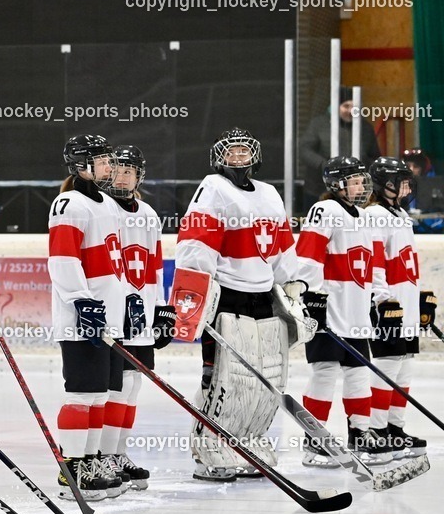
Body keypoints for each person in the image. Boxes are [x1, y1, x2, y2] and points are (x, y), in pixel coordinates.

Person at [172, 128, 311, 481]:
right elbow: (195, 243)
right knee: (225, 376)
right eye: (231, 152)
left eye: (243, 152)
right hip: (227, 295)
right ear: (220, 157)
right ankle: (210, 446)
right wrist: (193, 295)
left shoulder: (269, 193)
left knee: (267, 376)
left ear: (255, 157)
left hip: (264, 296)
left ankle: (250, 441)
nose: (238, 158)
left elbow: (281, 246)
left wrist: (292, 289)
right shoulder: (213, 188)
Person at [296, 156, 393, 465]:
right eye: (354, 181)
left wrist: (380, 298)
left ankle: (360, 433)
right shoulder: (325, 210)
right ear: (336, 184)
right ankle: (315, 439)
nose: (361, 186)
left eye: (362, 180)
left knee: (358, 372)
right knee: (325, 372)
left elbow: (375, 264)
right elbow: (308, 256)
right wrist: (309, 297)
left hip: (357, 312)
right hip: (329, 309)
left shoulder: (366, 217)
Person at [46, 134, 125, 500]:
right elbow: (63, 259)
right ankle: (72, 468)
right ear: (81, 165)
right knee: (81, 393)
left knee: (100, 395)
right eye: (103, 160)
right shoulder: (68, 203)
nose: (110, 166)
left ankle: (90, 460)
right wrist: (81, 300)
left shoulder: (107, 203)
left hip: (107, 315)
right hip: (81, 317)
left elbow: (114, 262)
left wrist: (129, 301)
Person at [96, 145, 175, 492]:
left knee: (133, 385)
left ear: (139, 177)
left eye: (130, 171)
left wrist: (161, 307)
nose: (123, 176)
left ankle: (120, 452)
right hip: (115, 313)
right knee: (116, 386)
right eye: (118, 170)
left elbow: (155, 267)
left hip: (141, 315)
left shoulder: (148, 214)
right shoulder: (99, 210)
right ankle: (104, 454)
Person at [365, 157, 432, 458]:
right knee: (387, 367)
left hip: (405, 303)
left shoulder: (401, 215)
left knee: (404, 369)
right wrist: (382, 299)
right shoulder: (374, 215)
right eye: (400, 179)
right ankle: (377, 430)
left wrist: (418, 296)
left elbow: (406, 262)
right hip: (389, 305)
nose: (407, 184)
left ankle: (395, 429)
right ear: (386, 184)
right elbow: (375, 262)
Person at [300, 88, 381, 205]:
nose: (351, 110)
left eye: (355, 107)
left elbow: (374, 156)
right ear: (335, 106)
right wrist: (324, 165)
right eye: (346, 106)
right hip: (318, 189)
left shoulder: (365, 128)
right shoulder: (319, 124)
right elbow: (305, 150)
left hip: (355, 194)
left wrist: (363, 168)